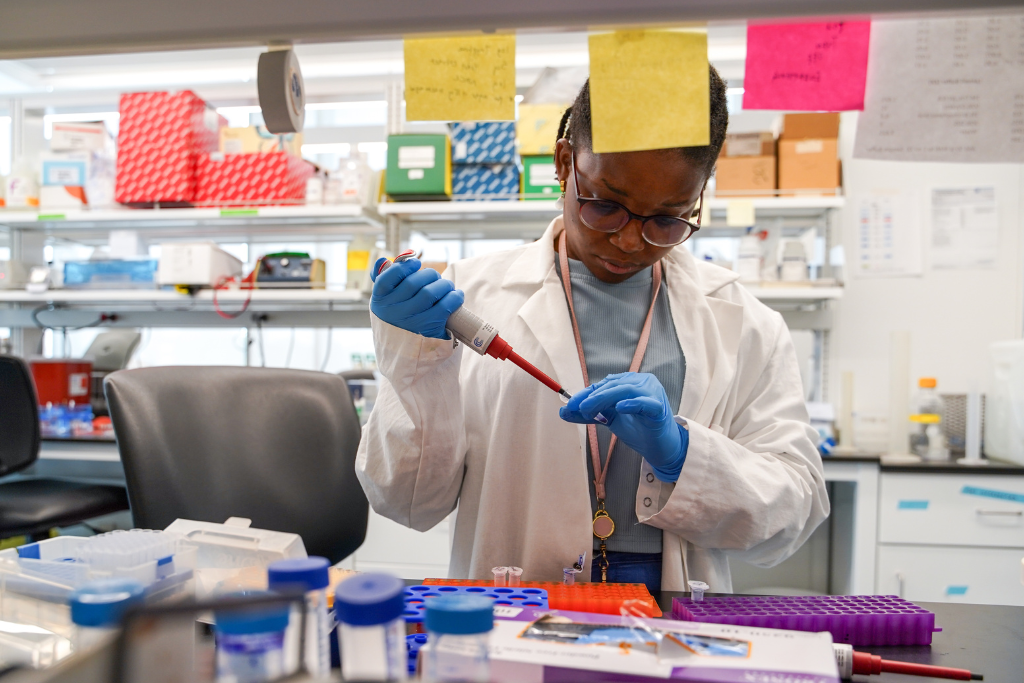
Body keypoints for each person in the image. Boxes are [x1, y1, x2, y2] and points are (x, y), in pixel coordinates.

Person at [356, 66, 829, 594]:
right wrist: (415, 366)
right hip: (515, 609)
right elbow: (407, 502)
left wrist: (684, 455)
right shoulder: (469, 300)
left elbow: (796, 508)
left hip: (675, 619)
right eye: (605, 205)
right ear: (564, 163)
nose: (630, 241)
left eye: (667, 219)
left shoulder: (744, 322)